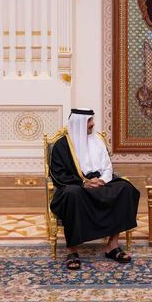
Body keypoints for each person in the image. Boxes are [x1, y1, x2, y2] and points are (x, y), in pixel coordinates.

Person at [49, 108, 139, 270]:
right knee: (72, 194)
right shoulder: (61, 145)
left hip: (100, 181)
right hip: (76, 185)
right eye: (89, 121)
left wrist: (102, 180)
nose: (92, 124)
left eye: (92, 120)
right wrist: (83, 183)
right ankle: (72, 250)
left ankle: (112, 246)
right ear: (79, 123)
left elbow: (107, 167)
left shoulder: (97, 140)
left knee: (126, 189)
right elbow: (58, 174)